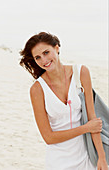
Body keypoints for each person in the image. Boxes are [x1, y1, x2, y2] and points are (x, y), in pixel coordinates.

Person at [19, 32, 108, 170]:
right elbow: (48, 137)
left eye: (46, 52)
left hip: (87, 156)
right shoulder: (37, 89)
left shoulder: (81, 72)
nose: (44, 60)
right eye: (38, 57)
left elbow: (93, 120)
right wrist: (86, 128)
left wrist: (101, 158)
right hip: (59, 161)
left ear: (57, 48)